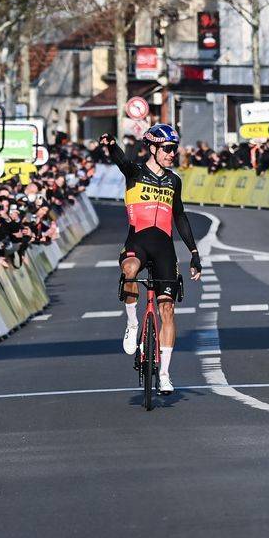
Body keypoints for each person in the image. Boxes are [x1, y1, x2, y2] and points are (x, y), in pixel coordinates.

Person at [99, 125, 202, 395]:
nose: (172, 154)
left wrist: (194, 254)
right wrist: (110, 145)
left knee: (167, 309)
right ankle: (133, 323)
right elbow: (120, 159)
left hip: (164, 247)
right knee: (130, 269)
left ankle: (165, 374)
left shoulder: (173, 180)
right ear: (153, 148)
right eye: (167, 149)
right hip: (138, 242)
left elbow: (180, 217)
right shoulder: (135, 172)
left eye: (174, 149)